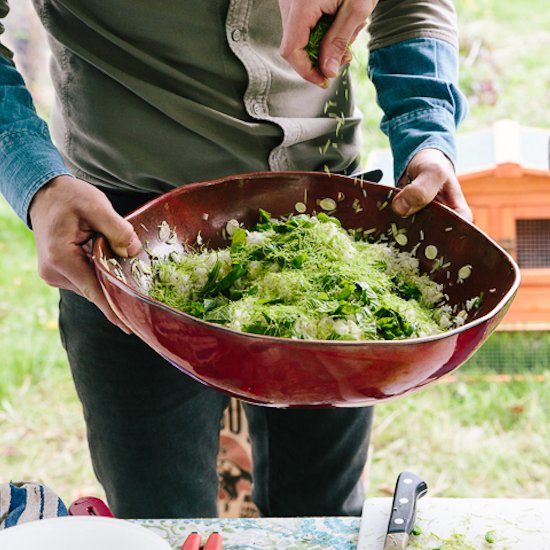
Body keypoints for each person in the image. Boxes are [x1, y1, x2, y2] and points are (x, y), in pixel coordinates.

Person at [0, 0, 471, 519]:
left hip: (331, 220)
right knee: (160, 518)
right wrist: (36, 183)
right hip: (127, 235)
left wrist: (427, 136)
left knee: (323, 515)